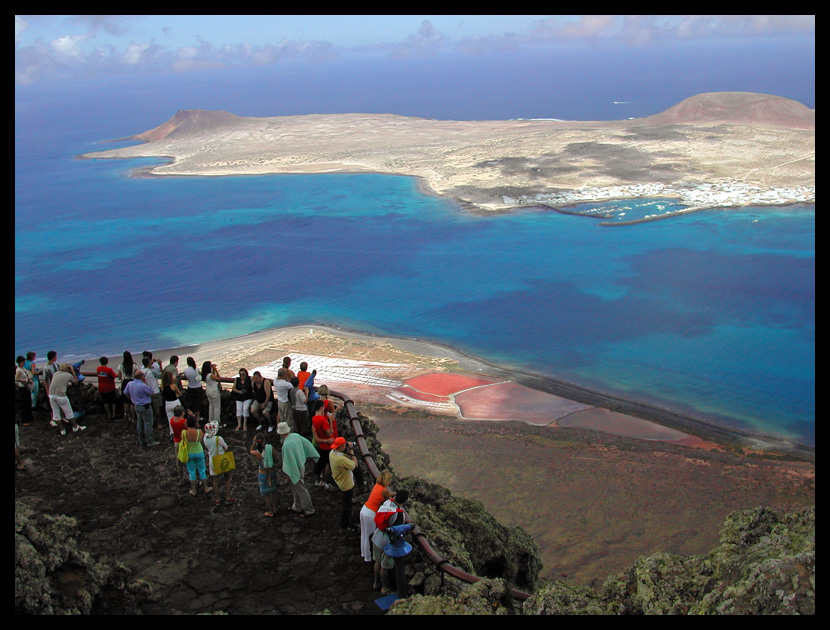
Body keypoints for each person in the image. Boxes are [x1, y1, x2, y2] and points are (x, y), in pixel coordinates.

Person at [371, 490, 410, 594]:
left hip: (377, 536)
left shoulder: (387, 503)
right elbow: (397, 530)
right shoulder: (399, 514)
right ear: (405, 501)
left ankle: (376, 583)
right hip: (386, 543)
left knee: (377, 562)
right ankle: (384, 588)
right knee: (384, 566)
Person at [277, 421, 319, 517]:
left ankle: (309, 510)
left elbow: (288, 461)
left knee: (301, 488)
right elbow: (307, 444)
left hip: (295, 468)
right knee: (295, 487)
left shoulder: (286, 445)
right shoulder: (295, 436)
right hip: (301, 464)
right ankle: (297, 506)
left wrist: (288, 474)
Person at [360, 470, 395, 564]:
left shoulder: (377, 486)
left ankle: (364, 554)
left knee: (364, 535)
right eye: (389, 480)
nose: (389, 483)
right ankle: (368, 558)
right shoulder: (384, 490)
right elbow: (390, 499)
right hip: (370, 513)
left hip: (364, 509)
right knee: (370, 536)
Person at [123, 370, 160, 447]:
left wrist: (131, 399)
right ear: (142, 377)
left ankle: (141, 440)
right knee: (148, 423)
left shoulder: (130, 384)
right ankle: (149, 440)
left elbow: (125, 392)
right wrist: (146, 383)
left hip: (137, 405)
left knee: (139, 423)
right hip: (145, 406)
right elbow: (151, 392)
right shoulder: (143, 385)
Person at [329, 436, 358, 530]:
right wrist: (351, 451)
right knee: (347, 506)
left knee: (346, 503)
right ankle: (344, 525)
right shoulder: (340, 459)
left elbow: (345, 459)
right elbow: (355, 465)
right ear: (341, 447)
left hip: (339, 481)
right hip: (346, 485)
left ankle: (345, 524)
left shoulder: (332, 453)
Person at [48, 364, 86, 435]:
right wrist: (73, 371)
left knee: (56, 414)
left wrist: (67, 383)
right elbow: (76, 382)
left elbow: (59, 382)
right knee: (69, 413)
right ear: (67, 369)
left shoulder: (56, 374)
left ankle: (62, 430)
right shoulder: (68, 375)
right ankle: (75, 427)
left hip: (51, 395)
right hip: (61, 396)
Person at [203, 421, 235, 506]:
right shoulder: (218, 438)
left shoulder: (205, 439)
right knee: (227, 477)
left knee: (215, 480)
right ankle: (228, 497)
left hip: (212, 461)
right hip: (222, 460)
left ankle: (217, 499)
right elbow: (226, 447)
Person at [249, 433, 277, 517]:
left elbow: (250, 450)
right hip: (272, 472)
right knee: (273, 492)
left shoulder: (257, 453)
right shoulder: (270, 448)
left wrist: (253, 443)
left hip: (263, 474)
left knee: (266, 495)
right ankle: (274, 508)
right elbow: (276, 460)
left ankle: (270, 511)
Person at [183, 416, 211, 496]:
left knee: (191, 472)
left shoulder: (184, 432)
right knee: (202, 470)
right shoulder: (199, 432)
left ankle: (194, 490)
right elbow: (200, 440)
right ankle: (206, 488)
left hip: (189, 453)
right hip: (199, 451)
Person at [310, 399, 336, 487]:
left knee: (319, 463)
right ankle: (327, 482)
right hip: (327, 445)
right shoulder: (322, 420)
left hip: (320, 445)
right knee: (329, 464)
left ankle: (318, 480)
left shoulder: (314, 418)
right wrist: (331, 421)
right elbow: (329, 433)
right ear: (321, 408)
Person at [141, 356, 164, 428]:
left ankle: (151, 421)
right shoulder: (152, 371)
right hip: (155, 391)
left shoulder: (141, 371)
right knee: (157, 407)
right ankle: (159, 423)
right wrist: (160, 365)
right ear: (149, 363)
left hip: (146, 392)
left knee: (149, 408)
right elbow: (162, 375)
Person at [169, 405, 189, 484]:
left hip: (177, 442)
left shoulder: (172, 420)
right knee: (189, 461)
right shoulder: (184, 422)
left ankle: (181, 478)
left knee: (179, 462)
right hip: (184, 442)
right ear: (182, 413)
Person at [183, 357, 205, 424]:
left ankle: (194, 416)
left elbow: (186, 377)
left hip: (191, 387)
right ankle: (198, 416)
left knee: (193, 402)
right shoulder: (196, 369)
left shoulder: (186, 370)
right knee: (198, 402)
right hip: (198, 387)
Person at [201, 361, 224, 427]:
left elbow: (213, 376)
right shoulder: (210, 375)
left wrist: (213, 370)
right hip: (214, 391)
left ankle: (211, 421)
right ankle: (217, 422)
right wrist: (215, 369)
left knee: (211, 406)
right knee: (216, 407)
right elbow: (218, 378)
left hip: (208, 391)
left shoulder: (205, 375)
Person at [116, 351, 136, 422]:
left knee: (125, 401)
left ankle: (128, 416)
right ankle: (133, 418)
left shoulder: (120, 366)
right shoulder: (134, 365)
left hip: (124, 383)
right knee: (132, 401)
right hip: (132, 382)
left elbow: (119, 376)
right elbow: (136, 374)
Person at [15, 356, 34, 426]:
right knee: (24, 404)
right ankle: (24, 420)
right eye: (23, 361)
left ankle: (29, 417)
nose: (24, 363)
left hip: (26, 387)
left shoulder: (23, 369)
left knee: (28, 402)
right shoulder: (18, 370)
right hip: (22, 388)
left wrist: (29, 380)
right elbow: (16, 379)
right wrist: (24, 381)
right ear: (20, 362)